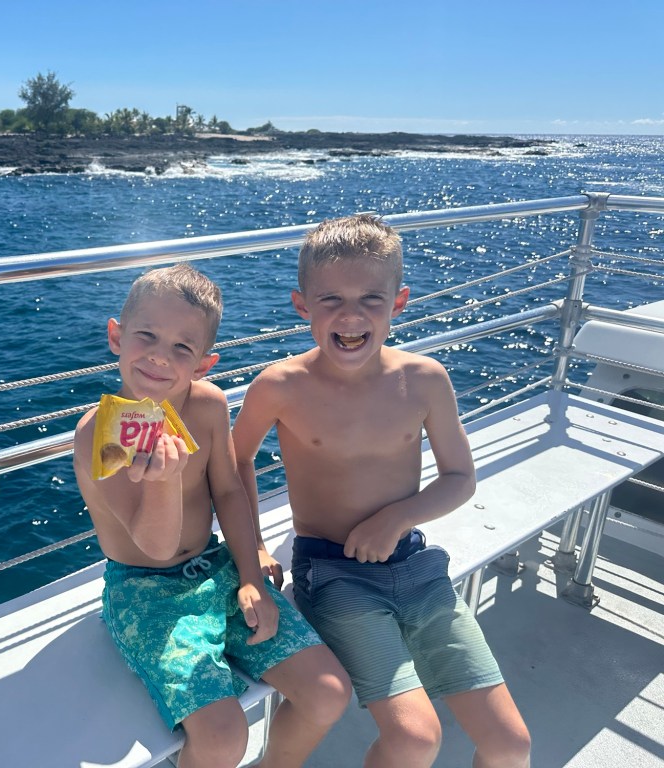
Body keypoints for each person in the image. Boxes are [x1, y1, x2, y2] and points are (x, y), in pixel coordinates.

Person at [232, 215, 532, 768]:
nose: (351, 316)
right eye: (331, 300)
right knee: (416, 738)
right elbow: (236, 461)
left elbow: (460, 478)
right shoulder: (279, 386)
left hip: (416, 567)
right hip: (332, 573)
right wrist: (254, 547)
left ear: (399, 302)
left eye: (372, 299)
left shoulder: (425, 379)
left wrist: (397, 518)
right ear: (302, 306)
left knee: (511, 745)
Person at [73, 264, 351, 768]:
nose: (160, 356)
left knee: (328, 692)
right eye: (146, 335)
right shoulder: (101, 433)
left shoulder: (208, 406)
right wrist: (163, 482)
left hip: (216, 567)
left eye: (182, 347)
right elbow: (155, 545)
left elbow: (228, 490)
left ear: (204, 363)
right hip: (144, 590)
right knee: (223, 738)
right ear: (117, 336)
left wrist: (251, 577)